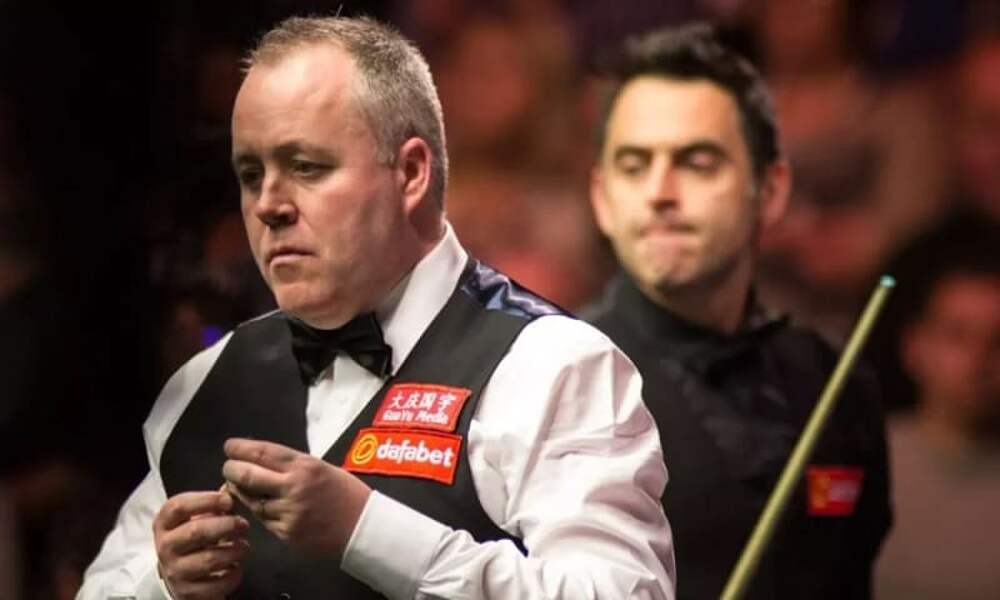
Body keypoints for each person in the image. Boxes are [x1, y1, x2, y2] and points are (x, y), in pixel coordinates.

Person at [77, 15, 675, 600]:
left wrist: (369, 532)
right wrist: (161, 585)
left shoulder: (550, 365)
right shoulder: (208, 381)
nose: (267, 205)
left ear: (410, 173)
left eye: (306, 167)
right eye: (251, 174)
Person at [584, 24, 890, 599]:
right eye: (634, 164)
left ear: (770, 190)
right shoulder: (549, 380)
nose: (660, 191)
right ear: (602, 199)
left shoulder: (836, 384)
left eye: (698, 162)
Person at [874, 243, 1000, 599]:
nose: (978, 358)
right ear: (913, 346)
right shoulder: (859, 460)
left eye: (998, 340)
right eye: (957, 335)